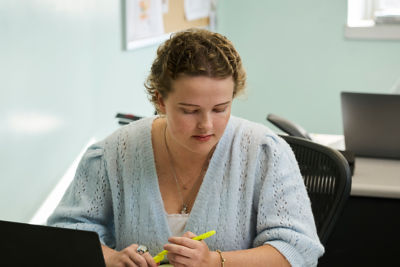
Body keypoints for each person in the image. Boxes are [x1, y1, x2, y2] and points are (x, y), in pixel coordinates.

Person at [48, 28, 324, 267]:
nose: (206, 125)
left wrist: (214, 262)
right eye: (190, 111)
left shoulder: (264, 152)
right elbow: (65, 233)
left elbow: (298, 251)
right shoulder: (112, 155)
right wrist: (111, 258)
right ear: (160, 100)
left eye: (220, 109)